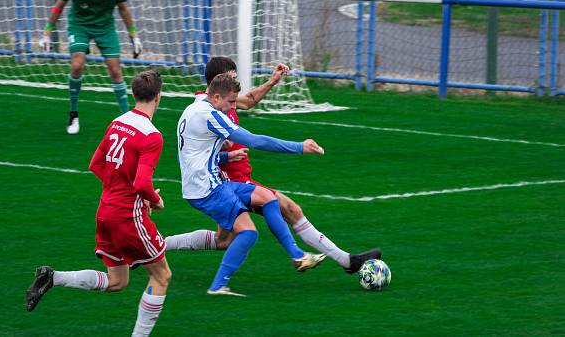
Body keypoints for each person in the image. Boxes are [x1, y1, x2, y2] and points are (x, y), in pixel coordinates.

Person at [166, 57, 381, 275]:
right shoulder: (209, 110)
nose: (236, 88)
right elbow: (247, 141)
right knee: (288, 208)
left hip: (231, 176)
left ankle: (158, 246)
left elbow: (248, 100)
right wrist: (299, 146)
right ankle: (336, 260)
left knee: (224, 240)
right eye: (232, 78)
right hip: (229, 180)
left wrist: (272, 82)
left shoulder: (222, 101)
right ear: (218, 84)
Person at [26, 70, 170, 337]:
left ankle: (53, 277)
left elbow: (95, 164)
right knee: (162, 276)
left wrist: (123, 190)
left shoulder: (118, 122)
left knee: (117, 281)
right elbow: (141, 184)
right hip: (128, 217)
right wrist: (155, 199)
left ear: (133, 94)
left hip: (105, 212)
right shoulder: (152, 135)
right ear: (158, 97)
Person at [177, 73, 327, 296]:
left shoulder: (194, 108)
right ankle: (218, 287)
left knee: (268, 197)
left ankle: (298, 255)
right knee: (247, 233)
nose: (233, 107)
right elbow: (256, 141)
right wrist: (299, 147)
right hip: (207, 190)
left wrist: (227, 157)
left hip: (208, 183)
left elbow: (194, 153)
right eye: (231, 102)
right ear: (216, 96)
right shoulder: (210, 114)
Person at [39, 0, 143, 134]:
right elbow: (58, 6)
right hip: (79, 26)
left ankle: (126, 120)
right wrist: (47, 33)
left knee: (115, 70)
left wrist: (134, 36)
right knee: (77, 65)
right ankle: (73, 114)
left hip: (105, 29)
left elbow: (124, 10)